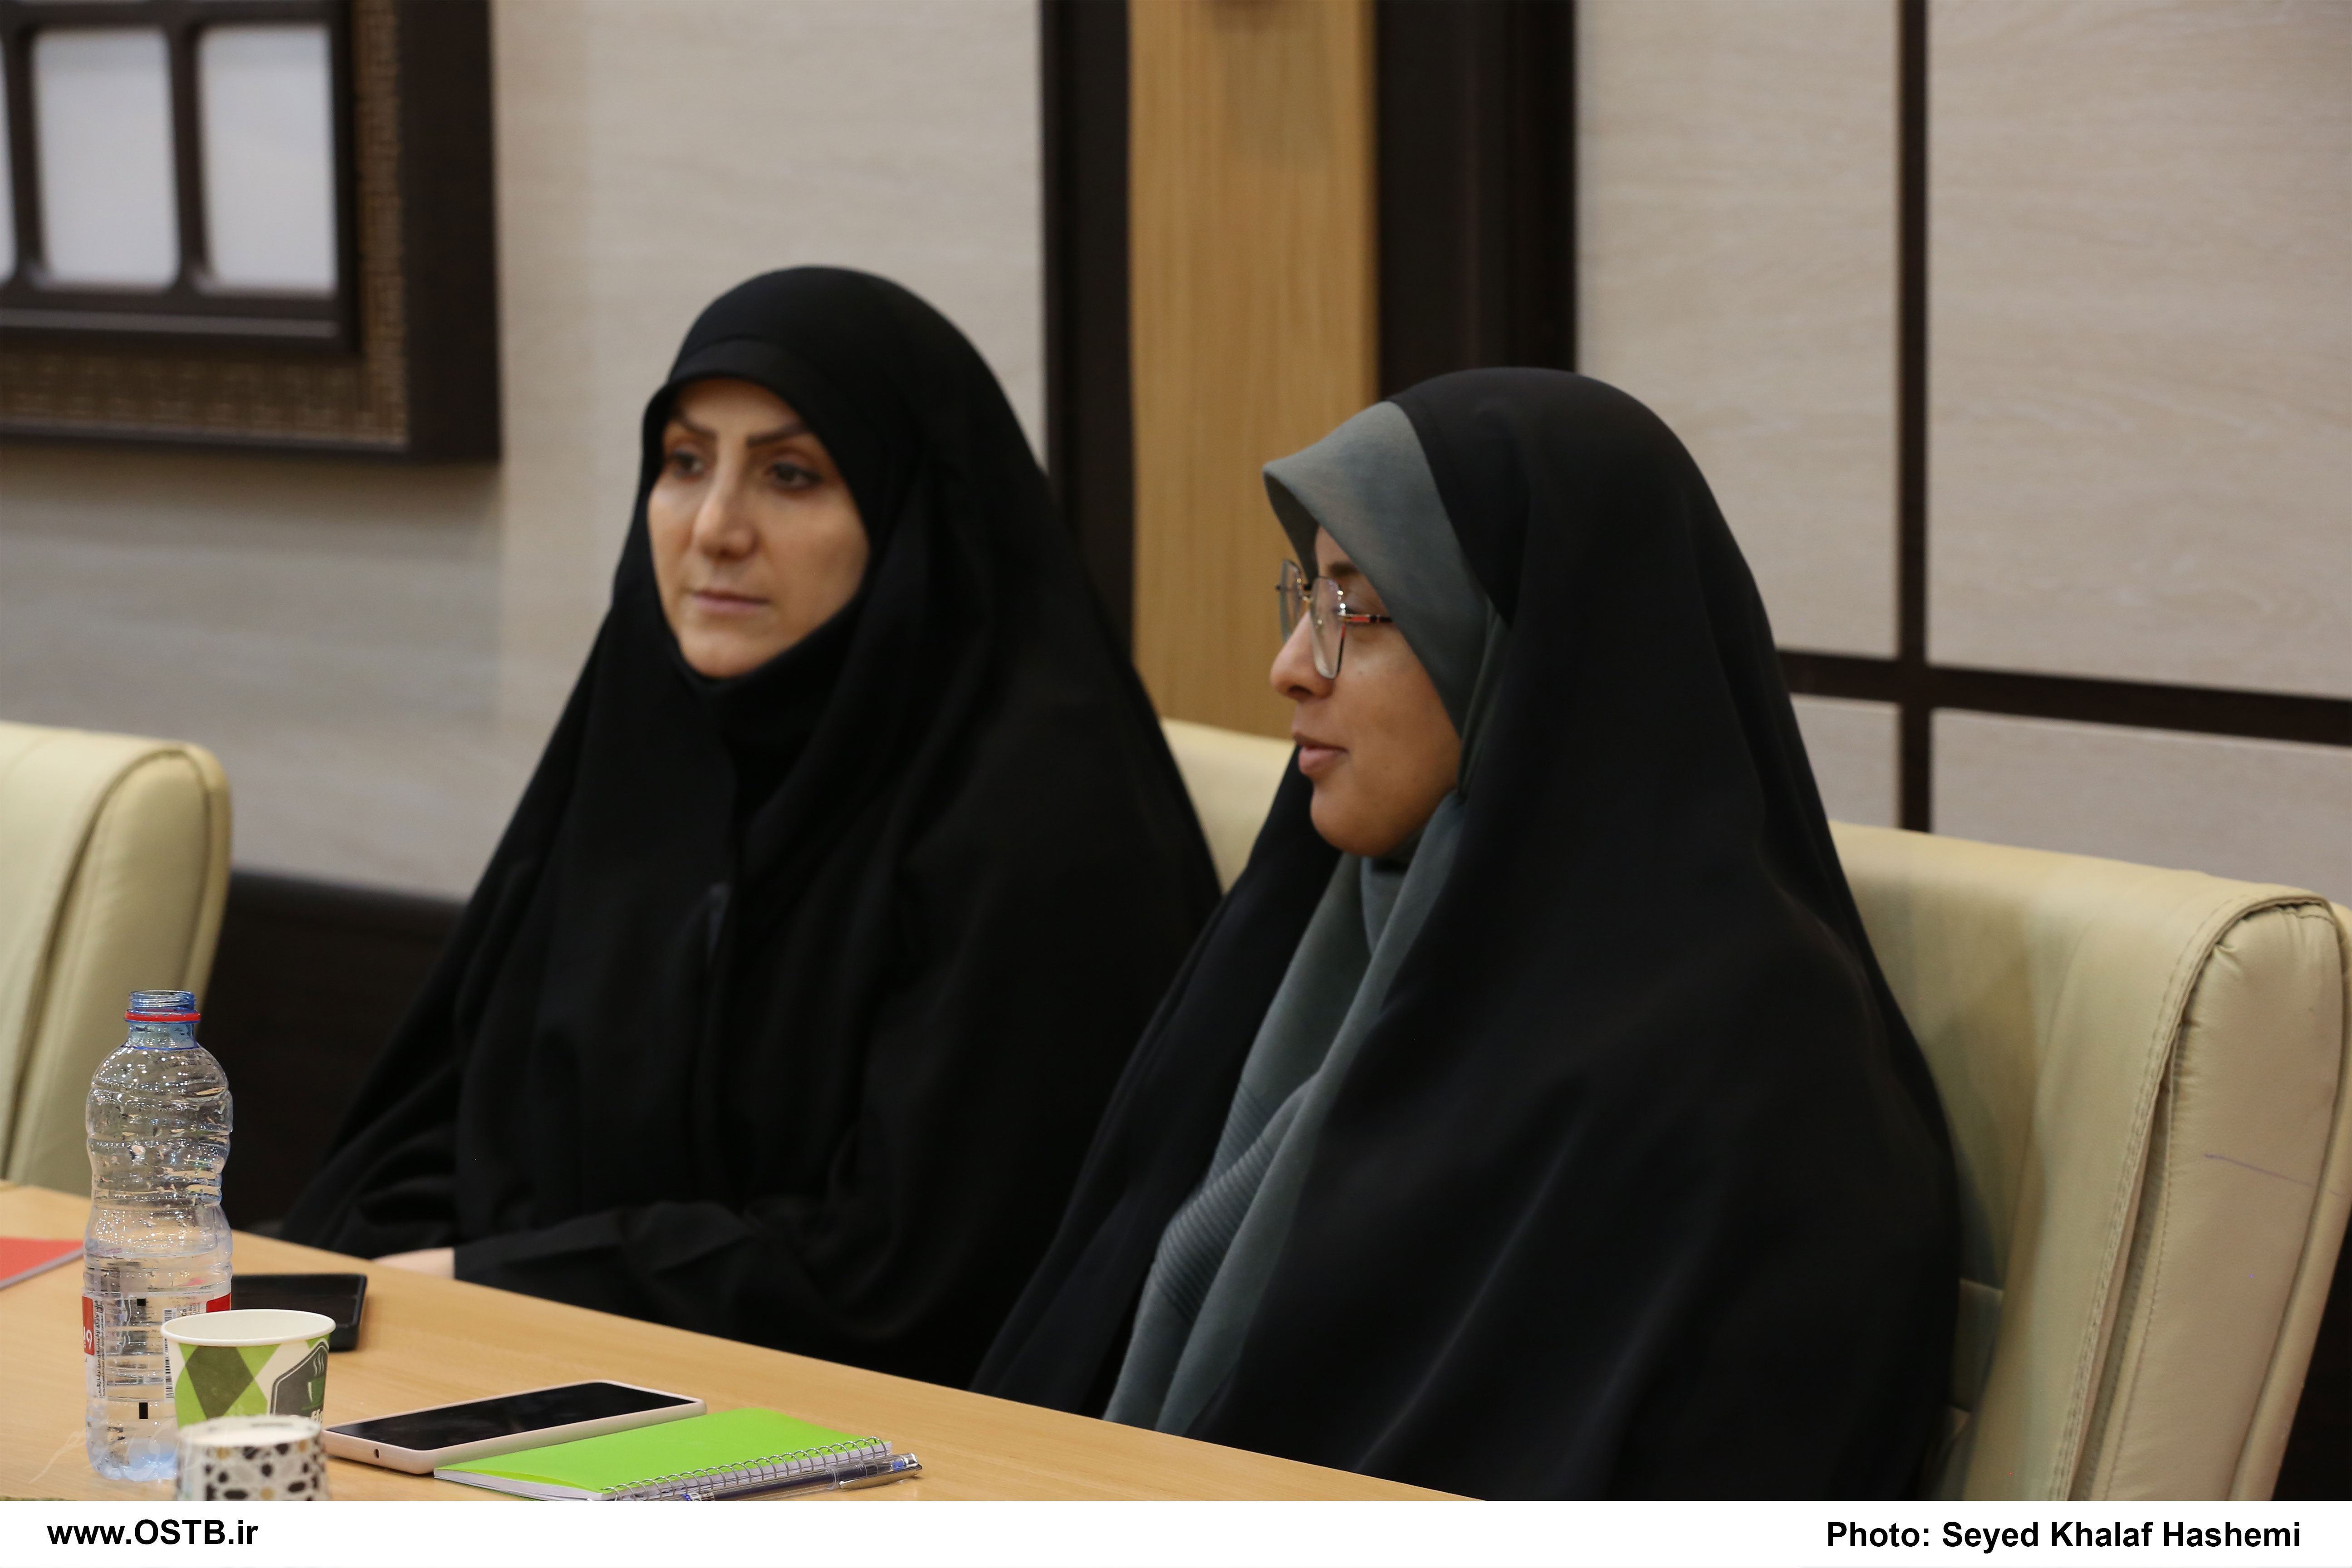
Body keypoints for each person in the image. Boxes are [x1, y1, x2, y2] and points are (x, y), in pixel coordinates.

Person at [974, 369, 1958, 1495]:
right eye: (1307, 599)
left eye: (1359, 613)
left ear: (1532, 648)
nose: (1290, 667)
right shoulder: (1338, 924)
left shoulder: (1743, 1051)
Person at [283, 269, 1221, 1387]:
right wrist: (399, 1287)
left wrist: (496, 1286)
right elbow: (440, 1125)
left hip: (881, 1434)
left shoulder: (1041, 823)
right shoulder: (648, 742)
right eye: (685, 463)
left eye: (790, 475)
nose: (716, 529)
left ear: (906, 514)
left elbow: (913, 1278)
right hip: (541, 1380)